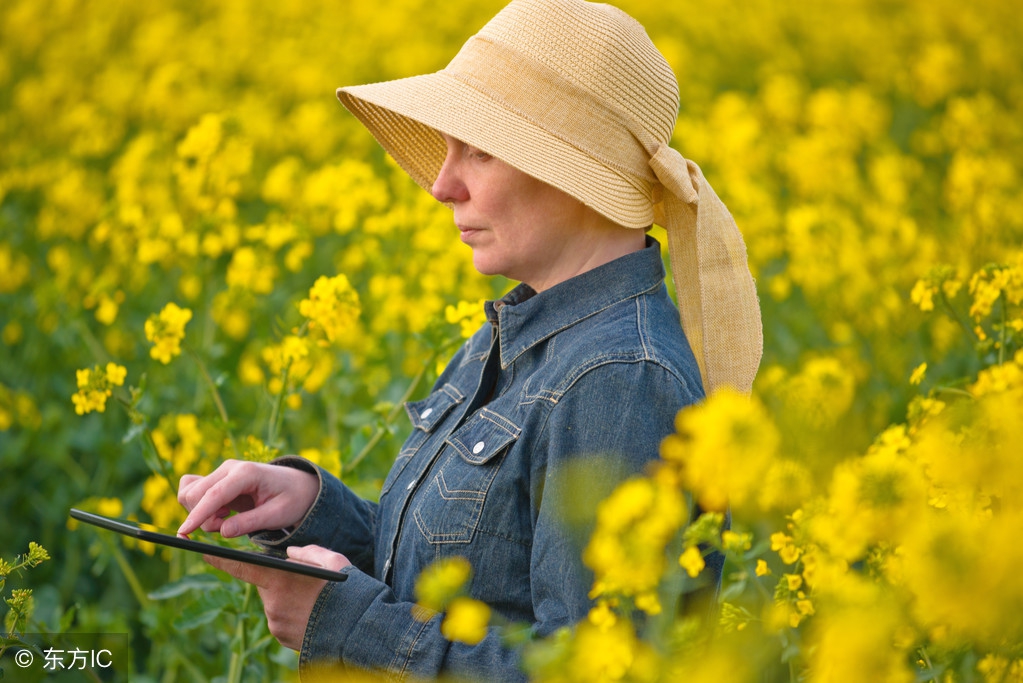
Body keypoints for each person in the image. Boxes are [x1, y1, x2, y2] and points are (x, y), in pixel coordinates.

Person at [177, 0, 762, 679]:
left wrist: (347, 626)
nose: (440, 184)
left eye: (478, 151)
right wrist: (311, 510)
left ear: (573, 172)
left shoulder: (615, 378)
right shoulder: (519, 333)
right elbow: (473, 578)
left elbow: (597, 669)